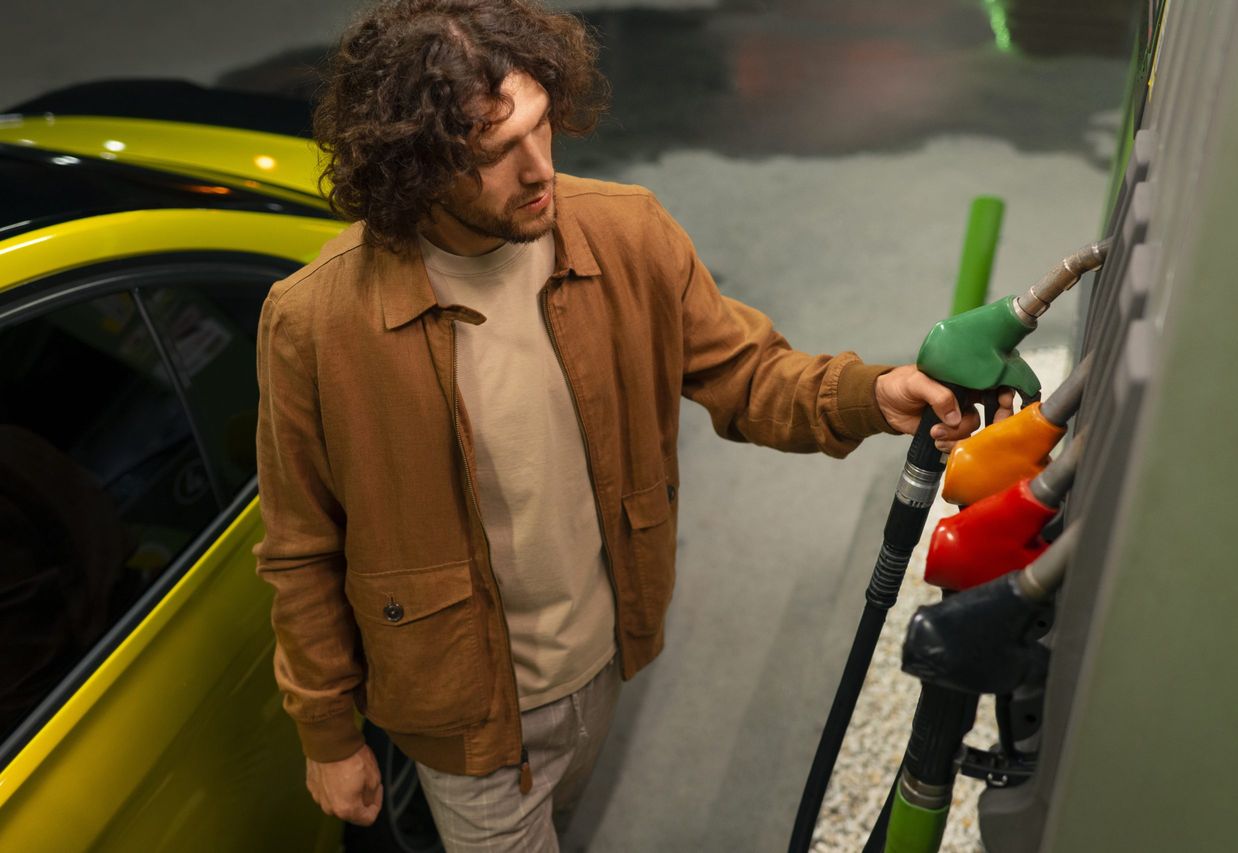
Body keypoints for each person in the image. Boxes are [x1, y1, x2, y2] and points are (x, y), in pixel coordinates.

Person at [253, 0, 1002, 848]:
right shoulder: (315, 321)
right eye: (495, 154)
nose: (540, 169)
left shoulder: (626, 232)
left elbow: (747, 373)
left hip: (605, 659)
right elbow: (300, 543)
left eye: (540, 127)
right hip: (461, 713)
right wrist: (328, 733)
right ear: (417, 165)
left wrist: (876, 392)